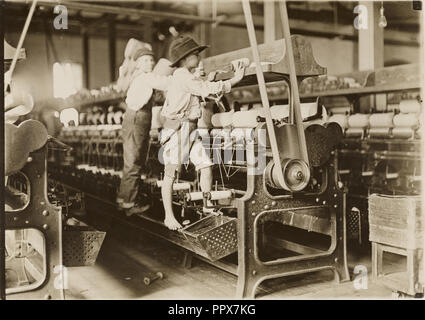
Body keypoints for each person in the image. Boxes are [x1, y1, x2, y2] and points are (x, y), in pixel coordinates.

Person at [160, 36, 245, 230]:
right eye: (195, 55)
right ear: (184, 58)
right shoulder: (183, 76)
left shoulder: (185, 76)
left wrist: (214, 77)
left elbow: (203, 86)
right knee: (171, 174)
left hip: (189, 129)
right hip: (178, 130)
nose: (199, 58)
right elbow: (206, 88)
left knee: (205, 165)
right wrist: (235, 80)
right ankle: (168, 216)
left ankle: (207, 206)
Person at [117, 41, 171, 216]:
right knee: (134, 162)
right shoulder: (145, 77)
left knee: (132, 161)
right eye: (146, 60)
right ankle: (130, 204)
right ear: (139, 63)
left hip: (136, 119)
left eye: (151, 60)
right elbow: (166, 83)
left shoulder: (140, 77)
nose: (151, 63)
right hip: (137, 119)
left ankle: (123, 200)